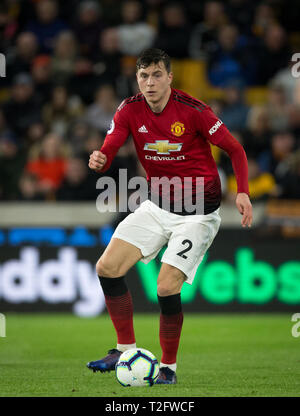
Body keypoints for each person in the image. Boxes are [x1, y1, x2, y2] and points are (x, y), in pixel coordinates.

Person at [87, 48, 252, 384]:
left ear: (170, 77)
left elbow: (235, 149)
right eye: (144, 76)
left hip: (198, 215)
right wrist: (103, 157)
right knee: (107, 267)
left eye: (157, 75)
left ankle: (168, 369)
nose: (150, 82)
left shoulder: (194, 110)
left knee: (165, 287)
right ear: (137, 79)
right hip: (157, 206)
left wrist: (244, 191)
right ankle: (123, 348)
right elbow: (114, 139)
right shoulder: (130, 108)